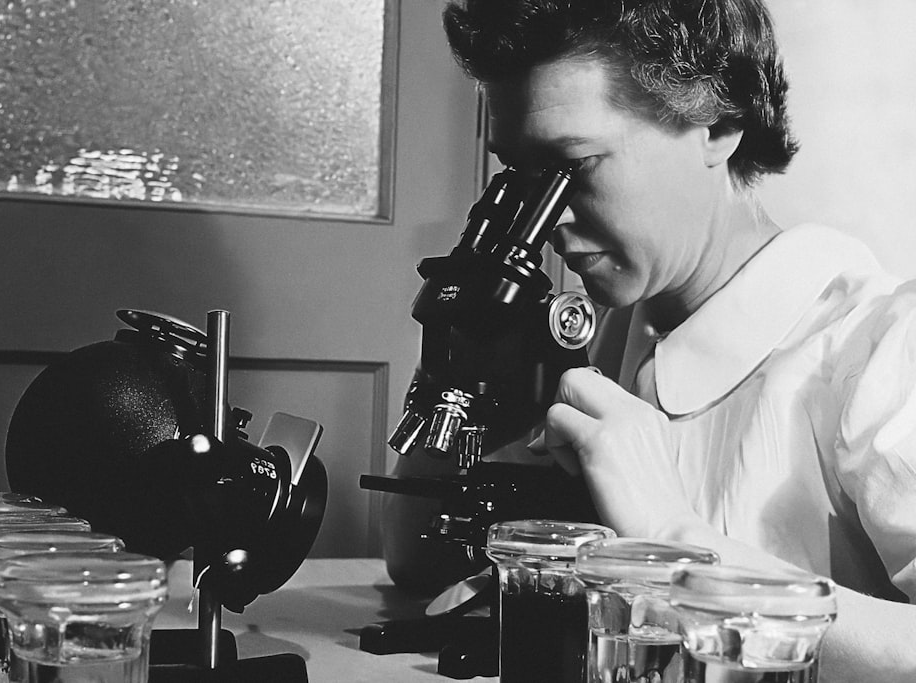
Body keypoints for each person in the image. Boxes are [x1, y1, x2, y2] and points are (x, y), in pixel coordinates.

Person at [382, 0, 916, 679]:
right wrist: (452, 352)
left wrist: (673, 543)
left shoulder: (879, 346)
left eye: (573, 165)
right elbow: (411, 559)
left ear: (718, 123)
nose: (547, 220)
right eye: (521, 177)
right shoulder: (604, 342)